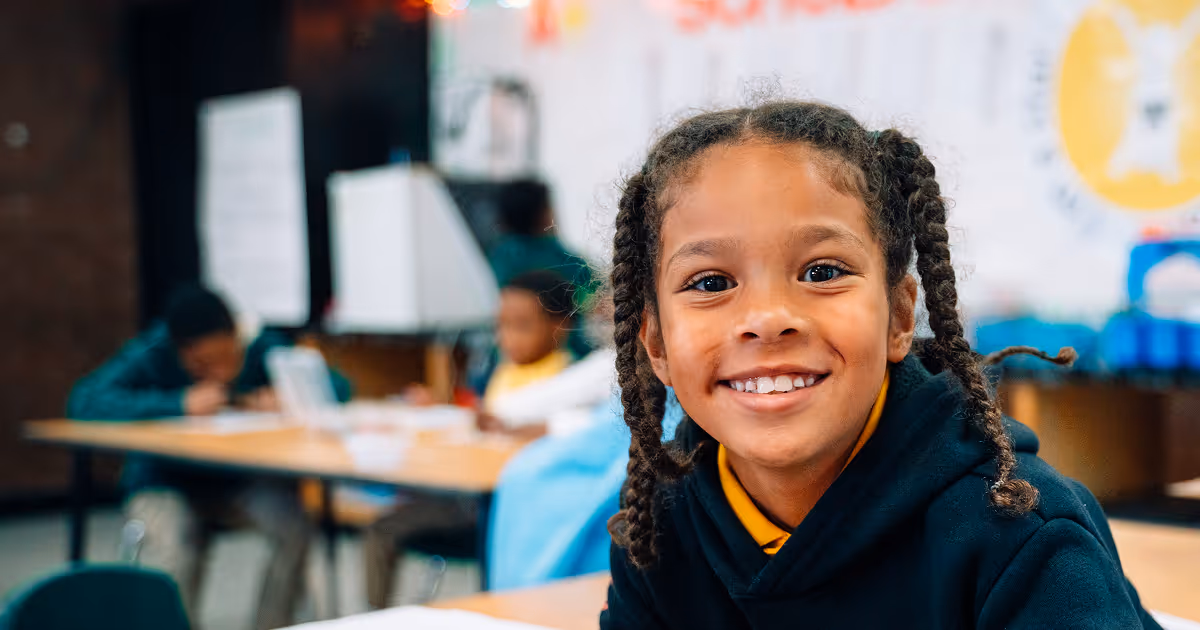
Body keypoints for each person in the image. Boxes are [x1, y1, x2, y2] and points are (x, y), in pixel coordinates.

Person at [600, 102, 1163, 629]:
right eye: (711, 283)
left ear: (898, 317)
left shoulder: (1016, 531)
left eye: (822, 272)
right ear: (657, 346)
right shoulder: (657, 524)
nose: (768, 319)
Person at [67, 285, 350, 630]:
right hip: (164, 482)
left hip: (236, 482)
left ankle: (272, 624)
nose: (220, 372)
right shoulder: (155, 350)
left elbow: (337, 386)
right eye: (203, 364)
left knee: (295, 528)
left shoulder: (262, 345)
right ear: (181, 352)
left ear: (237, 335)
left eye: (228, 358)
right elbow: (84, 401)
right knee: (176, 546)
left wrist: (286, 396)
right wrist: (177, 404)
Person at [362, 270, 578, 608]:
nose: (507, 338)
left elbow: (558, 430)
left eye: (521, 326)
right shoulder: (506, 370)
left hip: (504, 510)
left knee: (388, 530)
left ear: (559, 327)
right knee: (380, 528)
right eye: (500, 326)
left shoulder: (568, 379)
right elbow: (484, 416)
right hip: (468, 496)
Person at [487, 178, 597, 359]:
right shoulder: (562, 258)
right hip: (566, 351)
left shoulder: (500, 256)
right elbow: (593, 297)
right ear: (542, 213)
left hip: (511, 355)